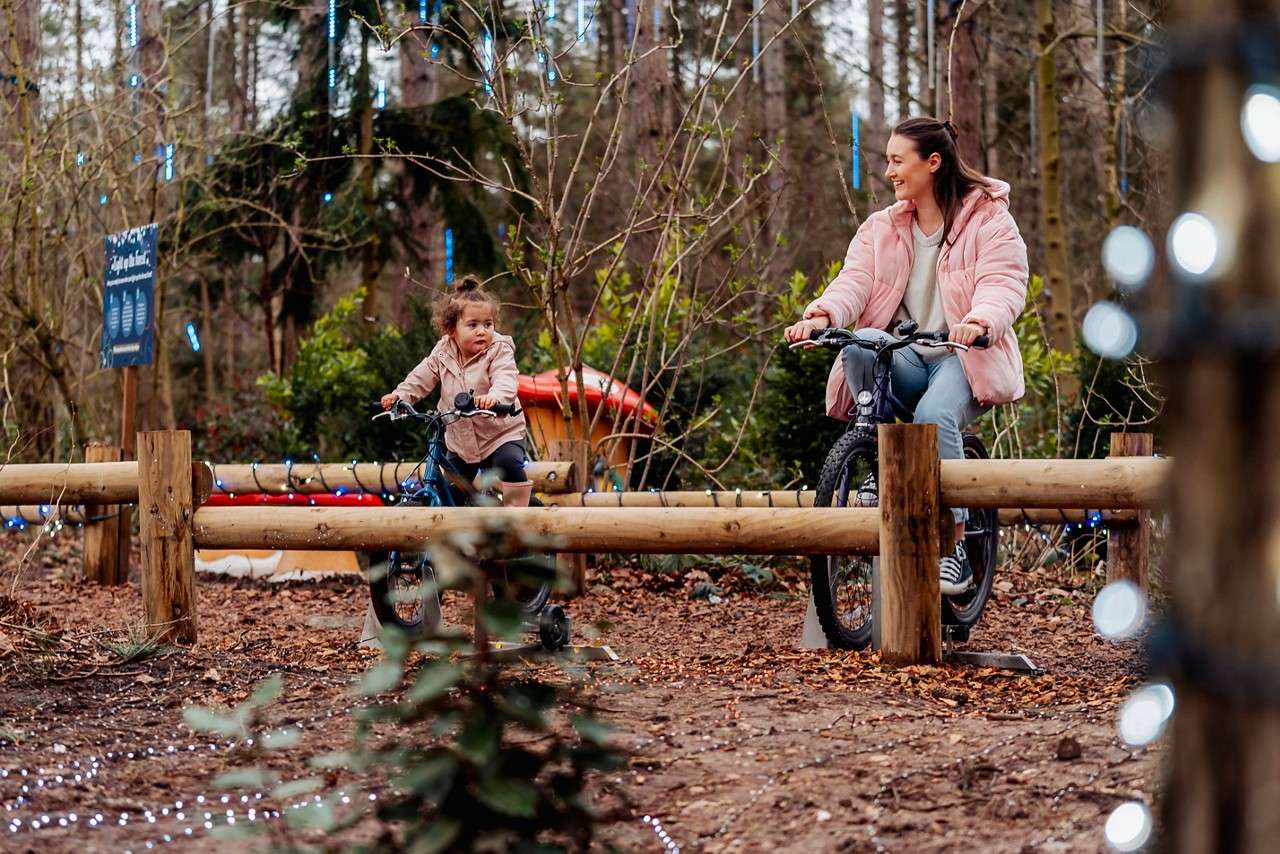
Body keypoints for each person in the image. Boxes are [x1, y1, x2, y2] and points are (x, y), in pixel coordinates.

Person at [784, 117, 1029, 595]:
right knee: (861, 342)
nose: (889, 172)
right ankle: (877, 467)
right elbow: (853, 281)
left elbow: (1003, 283)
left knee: (936, 414)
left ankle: (953, 544)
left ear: (932, 163)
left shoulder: (988, 219)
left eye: (898, 161)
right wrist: (821, 316)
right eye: (887, 161)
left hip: (962, 356)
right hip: (907, 357)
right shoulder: (882, 227)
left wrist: (980, 322)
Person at [381, 275, 533, 508]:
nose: (482, 331)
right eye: (473, 325)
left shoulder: (498, 350)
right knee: (453, 489)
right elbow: (422, 376)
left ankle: (521, 519)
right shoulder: (443, 351)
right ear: (452, 329)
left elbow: (506, 378)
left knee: (508, 463)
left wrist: (494, 398)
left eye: (488, 324)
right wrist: (400, 396)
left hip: (500, 434)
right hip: (461, 442)